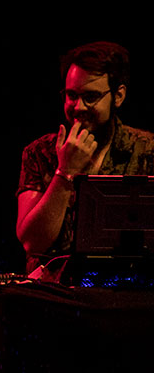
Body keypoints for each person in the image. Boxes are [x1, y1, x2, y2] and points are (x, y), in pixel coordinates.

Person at [17, 41, 154, 275]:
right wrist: (65, 173)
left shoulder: (146, 150)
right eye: (71, 95)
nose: (78, 107)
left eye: (90, 97)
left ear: (118, 96)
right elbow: (32, 242)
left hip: (124, 293)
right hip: (54, 296)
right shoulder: (39, 152)